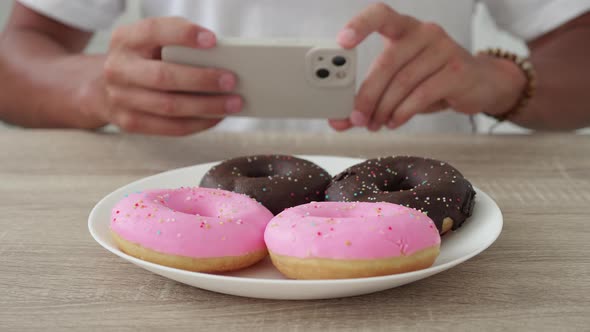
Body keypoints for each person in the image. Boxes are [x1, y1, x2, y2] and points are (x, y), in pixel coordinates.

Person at [0, 1, 589, 136]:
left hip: (431, 233)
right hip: (170, 203)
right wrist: (96, 90)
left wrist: (502, 79)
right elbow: (18, 51)